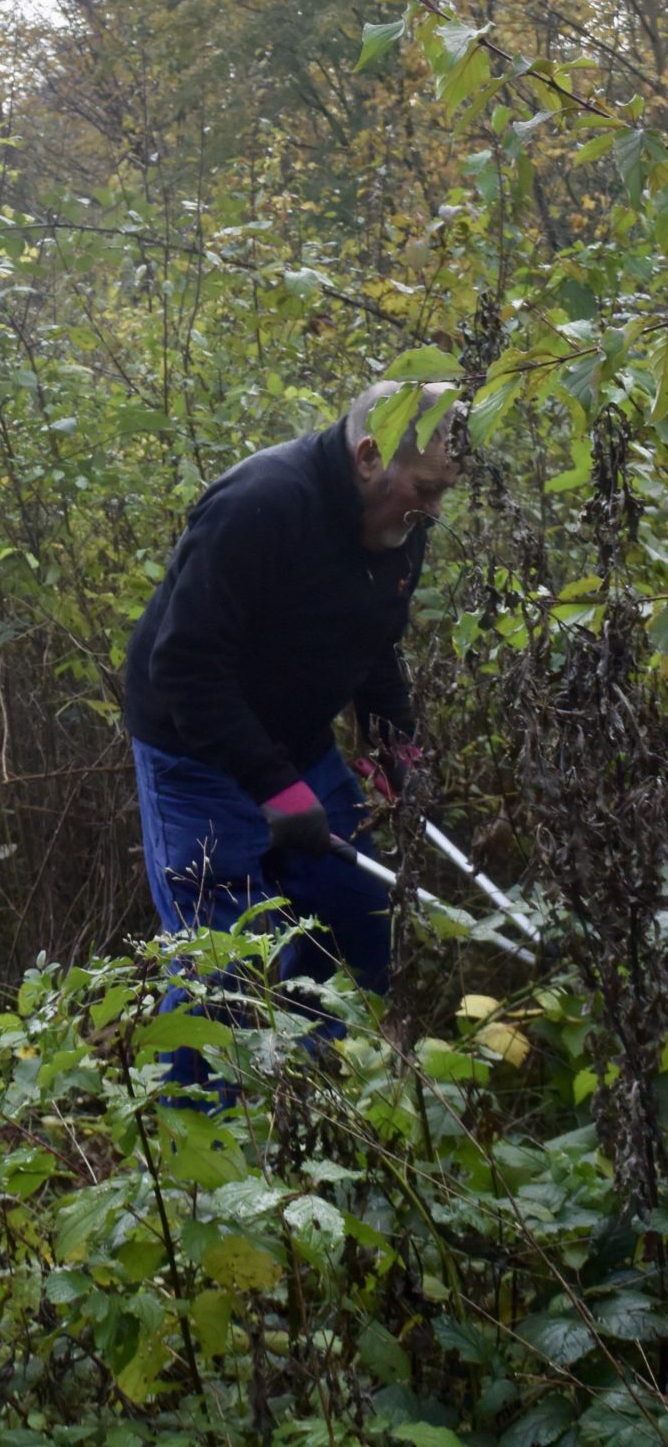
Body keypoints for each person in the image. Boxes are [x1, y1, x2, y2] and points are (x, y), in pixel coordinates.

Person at [123, 381, 465, 1034]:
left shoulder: (400, 523)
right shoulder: (259, 504)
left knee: (361, 920)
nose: (434, 511)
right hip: (193, 757)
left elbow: (376, 646)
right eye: (426, 490)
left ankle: (317, 1096)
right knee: (223, 974)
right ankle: (207, 1124)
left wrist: (400, 758)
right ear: (368, 456)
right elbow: (182, 666)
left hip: (299, 745)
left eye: (442, 492)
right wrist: (274, 788)